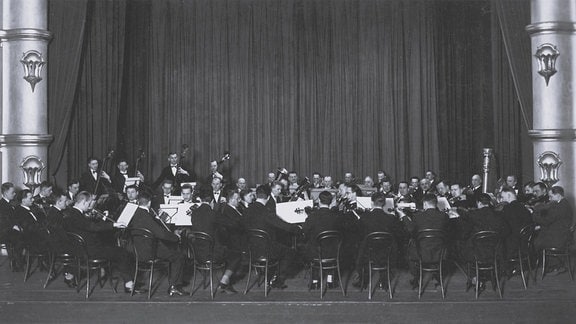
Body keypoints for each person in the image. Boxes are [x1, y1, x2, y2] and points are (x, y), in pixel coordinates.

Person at [63, 191, 140, 293]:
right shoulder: (78, 216)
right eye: (90, 203)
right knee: (122, 252)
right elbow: (91, 227)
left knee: (107, 242)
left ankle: (70, 276)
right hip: (89, 251)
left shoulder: (70, 213)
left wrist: (99, 220)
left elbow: (87, 226)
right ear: (84, 202)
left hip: (77, 249)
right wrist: (114, 225)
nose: (91, 206)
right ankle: (129, 285)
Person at [128, 192, 187, 296]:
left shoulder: (135, 214)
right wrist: (176, 238)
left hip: (137, 251)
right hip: (150, 252)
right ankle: (174, 286)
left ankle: (174, 282)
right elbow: (162, 234)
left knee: (169, 250)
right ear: (149, 203)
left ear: (138, 202)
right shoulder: (147, 216)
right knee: (178, 256)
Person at [243, 185, 300, 289]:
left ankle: (268, 274)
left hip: (250, 249)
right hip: (266, 250)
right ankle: (276, 280)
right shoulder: (267, 212)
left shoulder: (246, 210)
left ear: (256, 195)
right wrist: (298, 229)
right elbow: (284, 226)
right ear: (269, 197)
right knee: (290, 252)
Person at [353, 192, 402, 288]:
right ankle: (384, 281)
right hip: (386, 253)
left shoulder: (364, 218)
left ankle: (363, 280)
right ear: (384, 204)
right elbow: (398, 233)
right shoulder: (391, 218)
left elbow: (358, 234)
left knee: (359, 245)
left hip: (368, 253)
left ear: (371, 203)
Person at [399, 194, 449, 288]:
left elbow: (411, 230)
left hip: (420, 253)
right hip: (439, 253)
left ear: (425, 204)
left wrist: (404, 217)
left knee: (409, 245)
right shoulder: (444, 216)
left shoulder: (418, 216)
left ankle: (416, 277)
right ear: (436, 204)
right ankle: (438, 275)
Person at [301, 191, 341, 289]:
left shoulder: (312, 216)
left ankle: (315, 281)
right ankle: (330, 280)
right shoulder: (337, 217)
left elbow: (304, 231)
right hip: (333, 253)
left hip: (315, 253)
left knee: (311, 245)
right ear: (331, 202)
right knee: (330, 246)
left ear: (319, 201)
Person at [532, 186, 573, 274]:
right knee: (540, 235)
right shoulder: (563, 204)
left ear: (558, 195)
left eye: (551, 197)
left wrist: (534, 214)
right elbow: (553, 220)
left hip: (559, 238)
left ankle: (549, 264)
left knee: (535, 242)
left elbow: (547, 221)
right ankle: (552, 264)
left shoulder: (560, 206)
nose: (549, 199)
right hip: (561, 234)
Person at [215, 191, 246, 294]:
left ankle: (225, 282)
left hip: (232, 239)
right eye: (237, 199)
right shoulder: (229, 211)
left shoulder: (233, 209)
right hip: (232, 241)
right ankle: (225, 282)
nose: (239, 200)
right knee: (237, 256)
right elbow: (238, 226)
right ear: (231, 200)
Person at [497, 188, 533, 270]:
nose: (502, 199)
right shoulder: (524, 208)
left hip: (512, 246)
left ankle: (500, 271)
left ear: (509, 195)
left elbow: (505, 229)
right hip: (524, 244)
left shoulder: (507, 209)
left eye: (503, 197)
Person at [0, 182, 24, 270]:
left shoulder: (11, 203)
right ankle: (15, 261)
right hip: (3, 231)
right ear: (5, 193)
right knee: (18, 237)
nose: (14, 194)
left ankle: (16, 260)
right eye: (12, 192)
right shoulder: (1, 204)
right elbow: (2, 221)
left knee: (21, 235)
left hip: (10, 229)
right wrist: (13, 226)